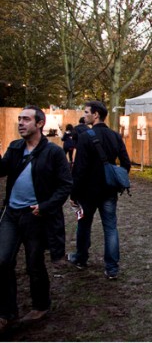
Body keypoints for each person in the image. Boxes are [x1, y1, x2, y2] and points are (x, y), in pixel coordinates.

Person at [0, 105, 72, 332]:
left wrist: (46, 206)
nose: (20, 123)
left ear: (40, 124)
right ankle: (7, 313)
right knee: (2, 261)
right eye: (19, 119)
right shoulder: (14, 147)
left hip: (35, 216)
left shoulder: (53, 152)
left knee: (34, 264)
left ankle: (41, 305)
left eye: (26, 119)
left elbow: (65, 185)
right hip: (11, 214)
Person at [68, 100, 131, 279]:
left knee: (83, 224)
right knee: (110, 228)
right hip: (109, 191)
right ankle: (112, 268)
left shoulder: (86, 137)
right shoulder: (115, 136)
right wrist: (117, 178)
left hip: (87, 192)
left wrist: (74, 193)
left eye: (87, 112)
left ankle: (81, 258)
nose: (85, 115)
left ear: (96, 115)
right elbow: (126, 163)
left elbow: (79, 168)